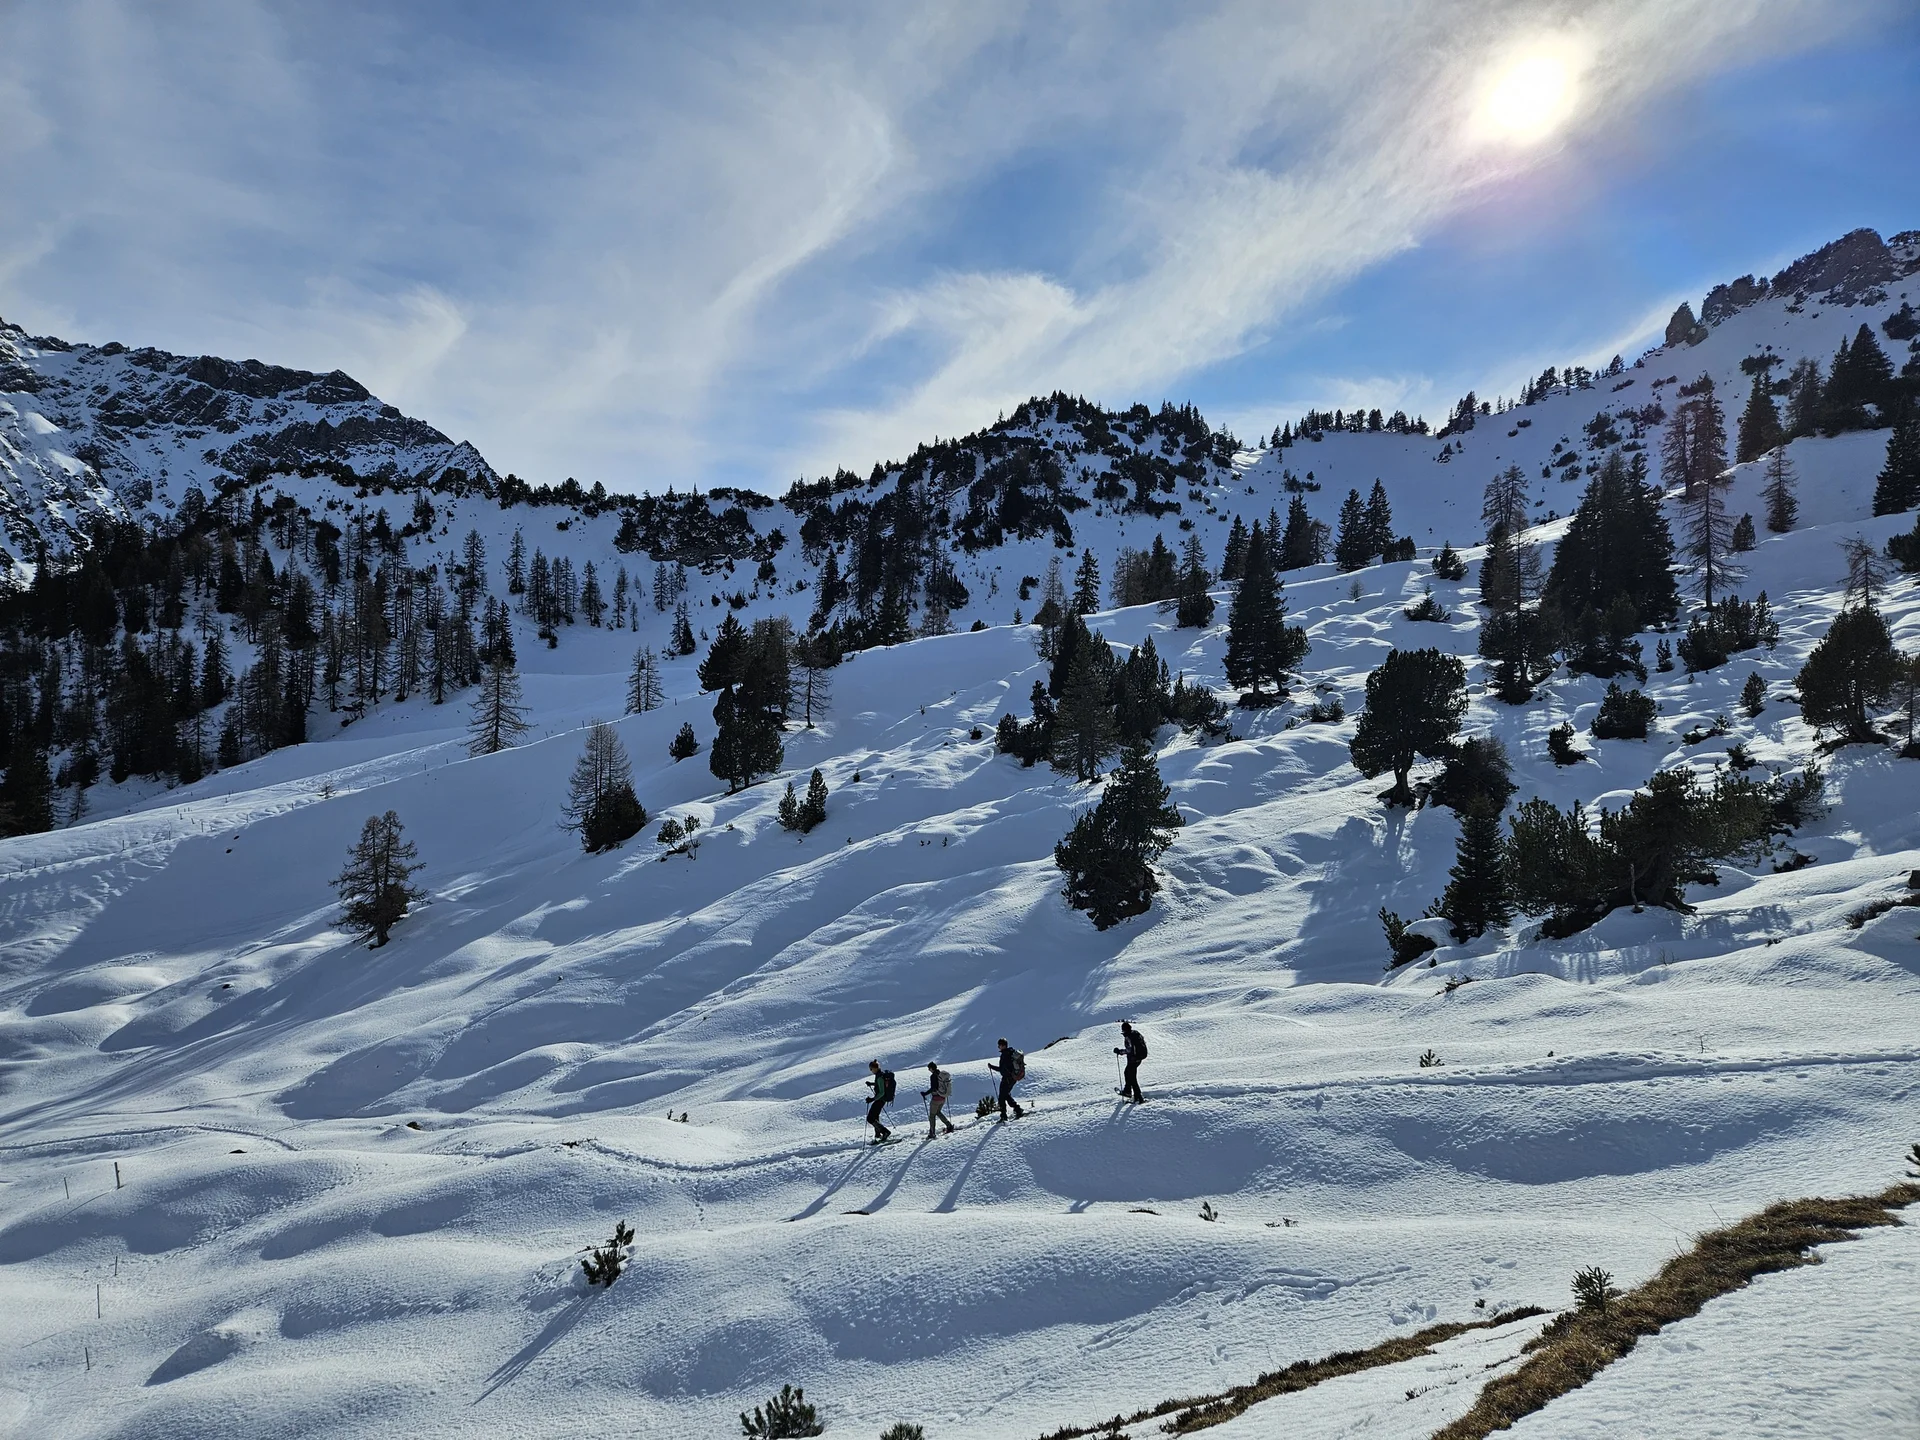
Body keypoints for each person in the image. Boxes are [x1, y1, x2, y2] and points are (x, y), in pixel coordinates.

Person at [987, 1037, 1026, 1121]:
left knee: (1002, 1097)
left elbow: (1002, 1069)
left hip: (1007, 1079)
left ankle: (1004, 1116)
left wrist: (991, 1067)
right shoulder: (1011, 1053)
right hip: (1013, 1078)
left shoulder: (1005, 1055)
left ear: (1002, 1045)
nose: (998, 1047)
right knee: (1006, 1095)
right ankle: (1017, 1109)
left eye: (999, 1046)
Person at [920, 1061, 956, 1139]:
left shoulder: (933, 1076)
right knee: (938, 1112)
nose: (929, 1070)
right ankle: (949, 1126)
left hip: (936, 1098)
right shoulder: (941, 1075)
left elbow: (934, 1088)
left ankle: (932, 1133)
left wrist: (925, 1093)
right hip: (943, 1097)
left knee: (932, 1116)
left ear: (931, 1068)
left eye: (929, 1068)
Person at [1114, 1020, 1147, 1103]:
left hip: (1133, 1059)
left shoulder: (1129, 1037)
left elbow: (1129, 1050)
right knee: (1129, 1074)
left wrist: (1120, 1052)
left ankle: (1137, 1096)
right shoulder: (1135, 1034)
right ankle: (1133, 1095)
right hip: (1138, 1059)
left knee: (1131, 1077)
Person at [865, 1059, 894, 1143]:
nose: (871, 1071)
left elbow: (882, 1092)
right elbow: (879, 1084)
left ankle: (885, 1132)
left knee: (870, 1118)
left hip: (880, 1100)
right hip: (880, 1100)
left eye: (871, 1069)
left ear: (875, 1068)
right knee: (875, 1116)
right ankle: (878, 1135)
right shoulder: (879, 1075)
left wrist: (872, 1099)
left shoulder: (880, 1076)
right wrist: (871, 1084)